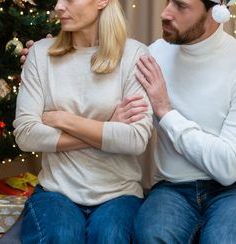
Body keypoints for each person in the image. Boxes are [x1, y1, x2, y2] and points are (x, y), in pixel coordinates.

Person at [12, 0, 153, 243]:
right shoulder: (40, 54)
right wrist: (107, 126)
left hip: (119, 193)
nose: (58, 6)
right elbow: (26, 134)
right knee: (61, 236)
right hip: (56, 192)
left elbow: (135, 140)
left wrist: (63, 119)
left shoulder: (134, 55)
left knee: (111, 236)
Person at [132, 0, 236, 243]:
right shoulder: (153, 54)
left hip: (231, 192)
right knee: (151, 236)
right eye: (168, 1)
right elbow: (106, 97)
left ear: (215, 13)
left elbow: (228, 167)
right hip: (171, 188)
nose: (165, 13)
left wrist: (166, 113)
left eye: (180, 5)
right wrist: (47, 64)